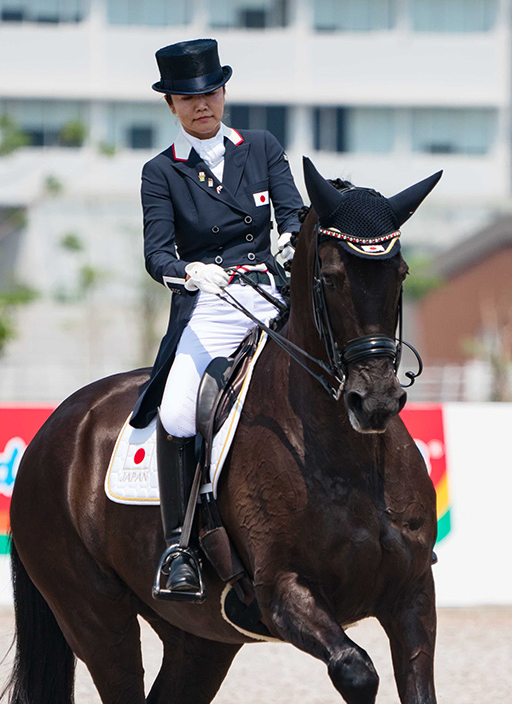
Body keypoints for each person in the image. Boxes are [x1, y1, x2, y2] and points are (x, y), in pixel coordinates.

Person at [130, 37, 303, 601]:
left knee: (344, 367)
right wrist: (189, 272)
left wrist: (292, 242)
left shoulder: (261, 146)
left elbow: (295, 213)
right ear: (172, 106)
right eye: (188, 97)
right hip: (212, 302)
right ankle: (179, 546)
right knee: (179, 412)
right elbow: (157, 254)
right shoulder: (162, 172)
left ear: (223, 92)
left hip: (271, 293)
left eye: (210, 92)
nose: (202, 104)